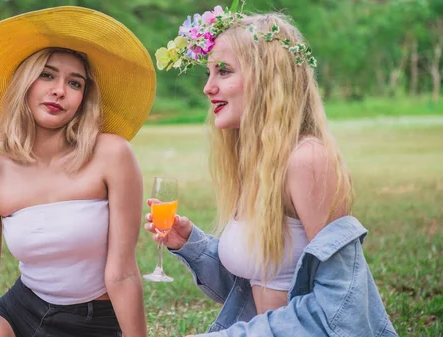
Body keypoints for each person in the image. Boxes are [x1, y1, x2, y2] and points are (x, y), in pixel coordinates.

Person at [146, 2, 398, 336]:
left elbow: (339, 306)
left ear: (267, 79)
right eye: (209, 72)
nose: (208, 87)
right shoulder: (259, 166)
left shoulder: (307, 160)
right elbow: (251, 285)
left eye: (223, 71)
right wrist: (189, 243)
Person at [0, 6, 156, 337]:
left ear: (84, 98)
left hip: (95, 320)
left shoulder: (113, 155)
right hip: (21, 312)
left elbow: (123, 274)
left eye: (75, 83)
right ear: (24, 82)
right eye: (47, 75)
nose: (59, 91)